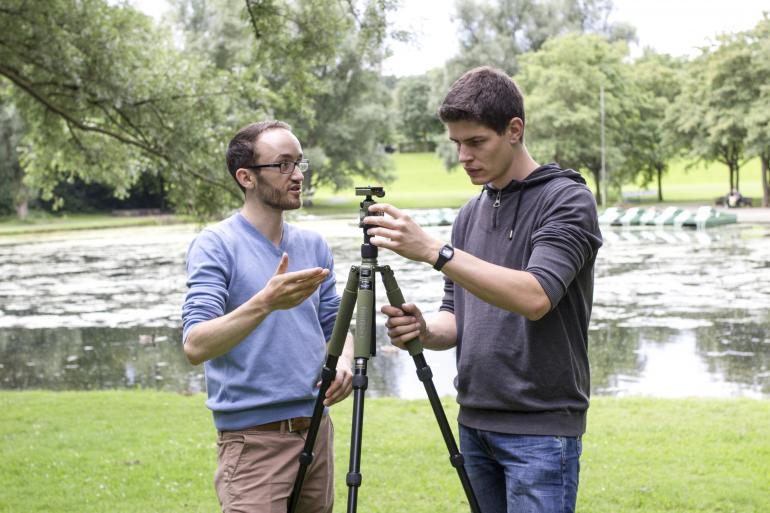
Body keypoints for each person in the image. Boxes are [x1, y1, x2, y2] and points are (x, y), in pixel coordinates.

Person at [363, 67, 603, 513]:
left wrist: (435, 251)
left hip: (541, 430)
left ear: (514, 130)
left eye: (475, 142)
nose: (463, 156)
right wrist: (424, 329)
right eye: (456, 143)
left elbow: (535, 297)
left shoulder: (566, 200)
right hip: (474, 424)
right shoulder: (469, 215)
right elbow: (456, 314)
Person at [181, 120, 353, 513]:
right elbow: (195, 344)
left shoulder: (313, 245)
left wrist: (342, 360)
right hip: (254, 442)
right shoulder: (216, 245)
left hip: (317, 433)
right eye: (284, 165)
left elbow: (336, 326)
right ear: (246, 177)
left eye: (299, 163)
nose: (298, 175)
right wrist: (265, 302)